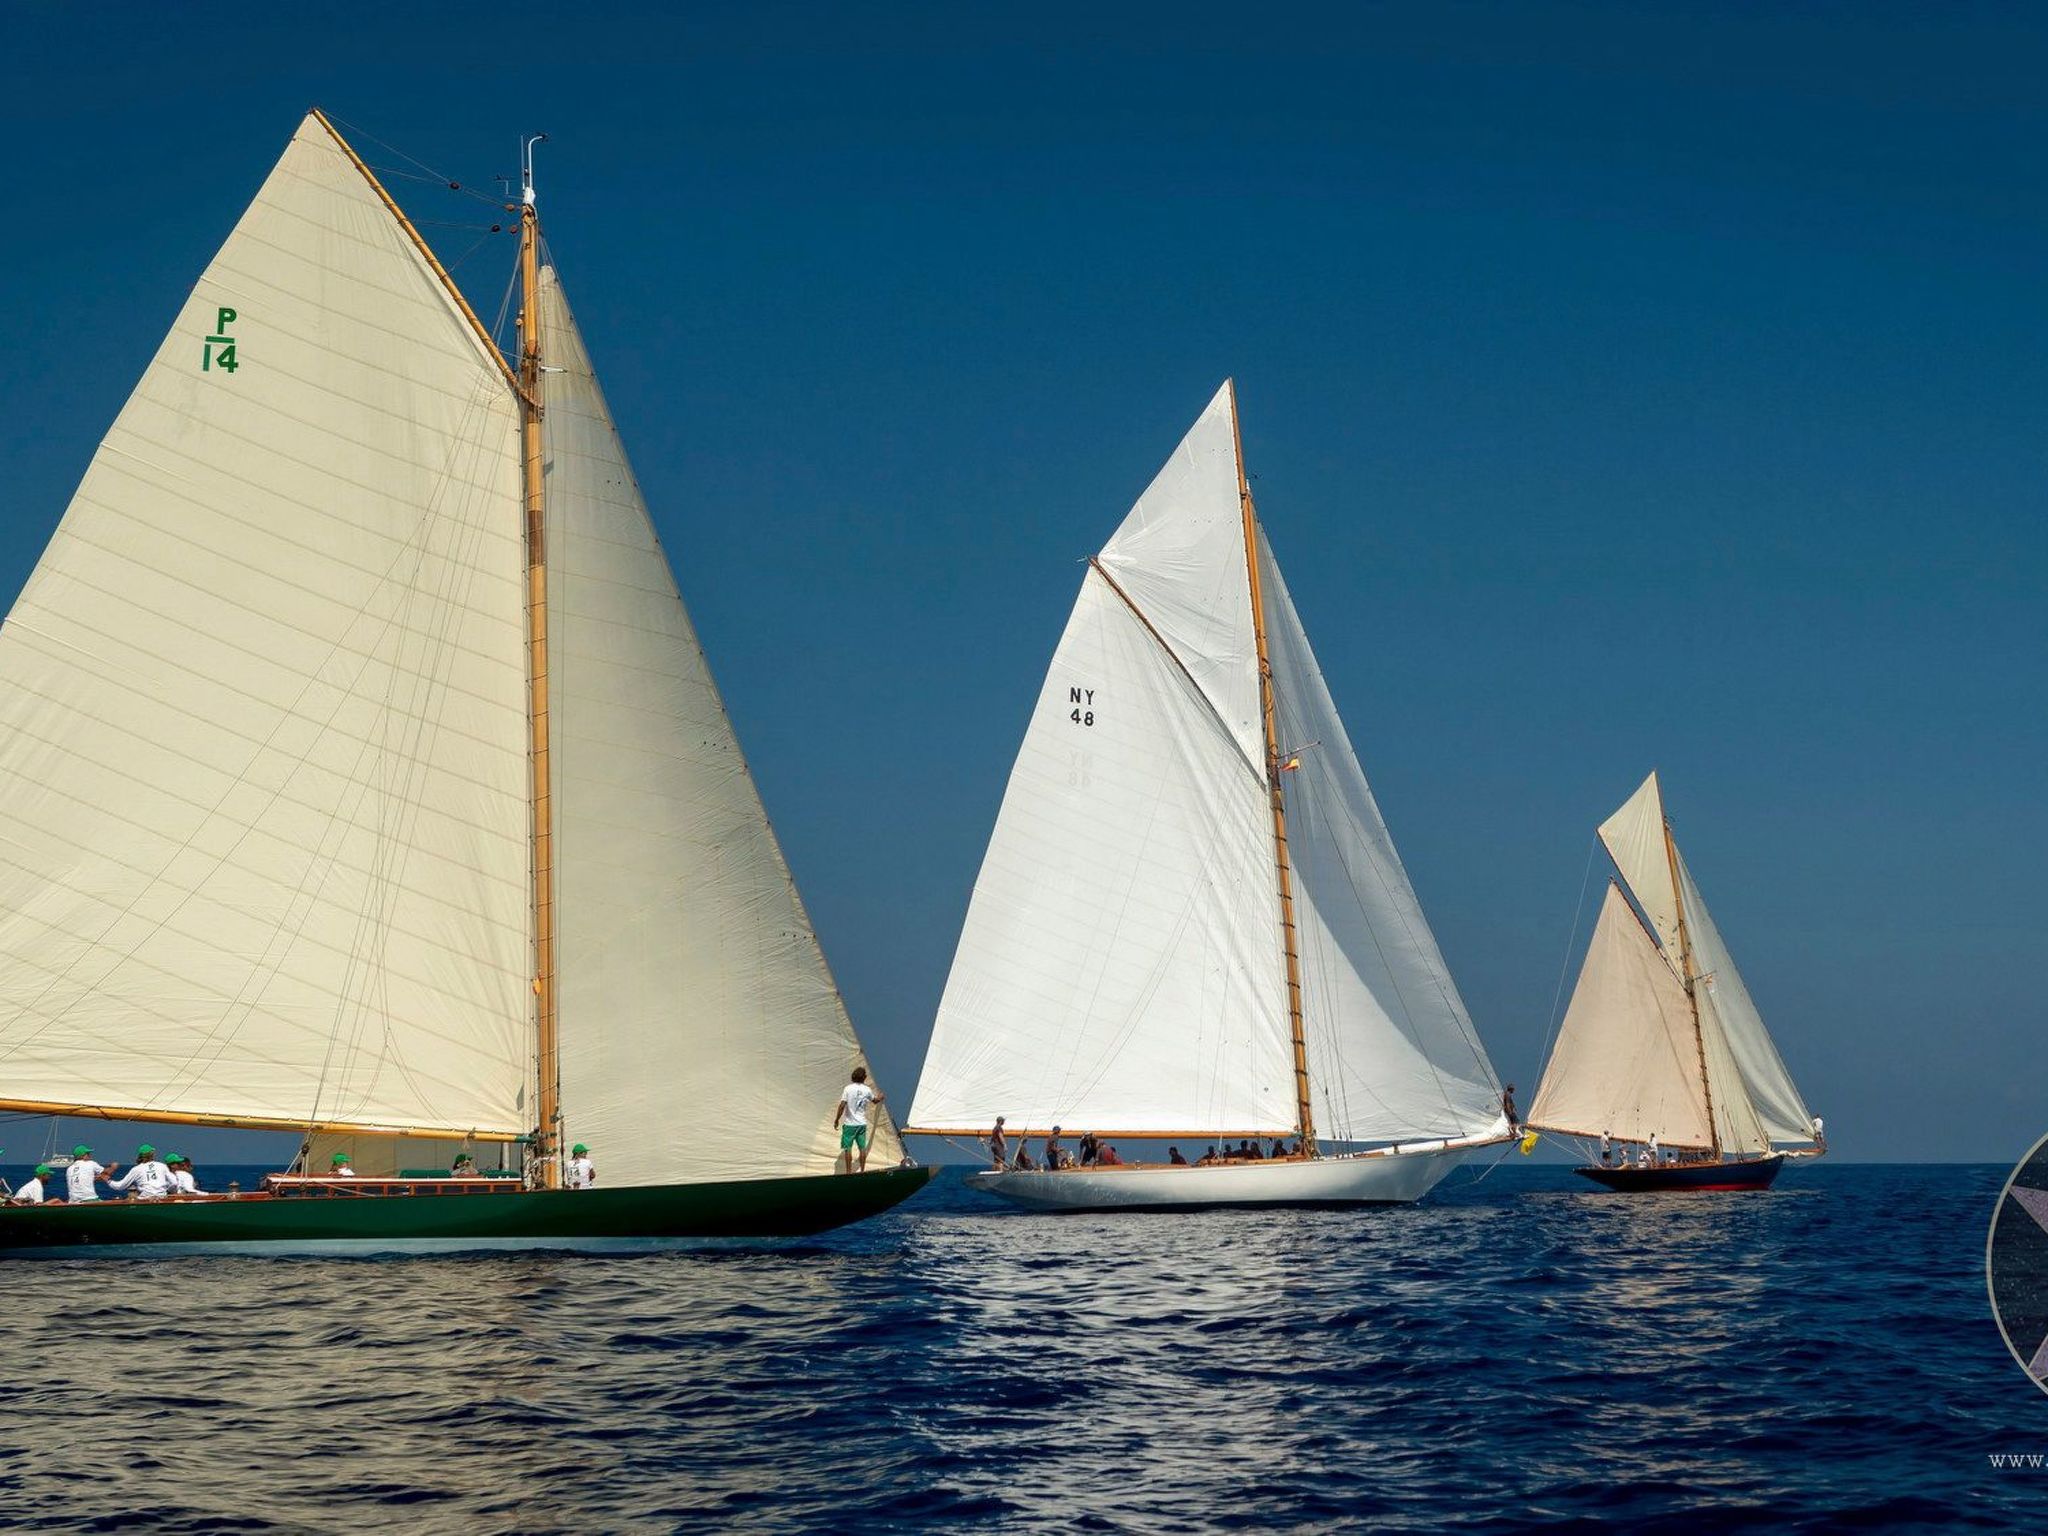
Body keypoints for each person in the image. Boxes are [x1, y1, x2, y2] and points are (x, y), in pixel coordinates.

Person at [834, 1067, 882, 1174]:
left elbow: (842, 1105)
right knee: (862, 1148)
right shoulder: (867, 1090)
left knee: (848, 1148)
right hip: (862, 1124)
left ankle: (848, 1172)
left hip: (849, 1124)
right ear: (864, 1077)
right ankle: (862, 1171)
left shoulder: (848, 1089)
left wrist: (837, 1119)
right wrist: (881, 1097)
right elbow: (875, 1101)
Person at [109, 1145, 177, 1201]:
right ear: (153, 1154)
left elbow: (120, 1186)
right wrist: (167, 1191)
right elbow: (174, 1183)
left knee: (131, 1196)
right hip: (162, 1198)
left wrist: (107, 1180)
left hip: (145, 1199)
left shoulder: (136, 1169)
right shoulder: (162, 1166)